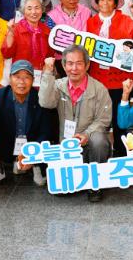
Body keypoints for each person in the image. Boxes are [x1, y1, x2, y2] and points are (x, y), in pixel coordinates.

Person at [39, 46, 112, 203]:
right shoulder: (58, 86)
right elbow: (45, 102)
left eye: (79, 63)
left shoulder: (99, 89)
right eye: (70, 63)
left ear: (87, 65)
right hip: (66, 148)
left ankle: (95, 184)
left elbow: (104, 120)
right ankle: (77, 175)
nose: (74, 68)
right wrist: (48, 73)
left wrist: (86, 134)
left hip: (89, 146)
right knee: (60, 190)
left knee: (99, 140)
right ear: (63, 65)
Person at [86, 0, 133, 157]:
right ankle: (99, 154)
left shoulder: (125, 20)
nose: (105, 3)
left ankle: (121, 155)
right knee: (99, 118)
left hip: (121, 79)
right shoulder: (90, 22)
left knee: (120, 119)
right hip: (97, 79)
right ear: (97, 3)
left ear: (115, 3)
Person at [0, 60, 53, 190]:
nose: (21, 82)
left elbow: (45, 131)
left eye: (26, 77)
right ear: (10, 79)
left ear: (33, 80)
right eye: (17, 77)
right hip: (7, 145)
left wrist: (32, 153)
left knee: (48, 139)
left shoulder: (41, 98)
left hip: (30, 145)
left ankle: (37, 165)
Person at [2, 0, 55, 80]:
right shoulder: (16, 29)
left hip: (41, 77)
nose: (33, 12)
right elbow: (6, 54)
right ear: (23, 11)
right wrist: (10, 33)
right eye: (29, 8)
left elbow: (50, 55)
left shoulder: (46, 31)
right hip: (21, 77)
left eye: (37, 8)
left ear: (42, 9)